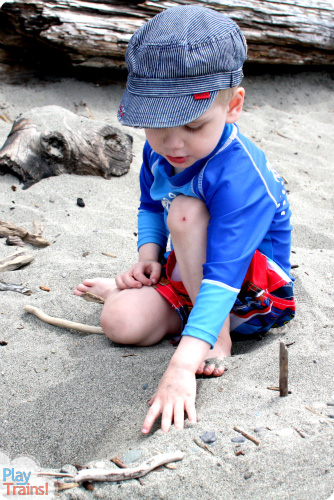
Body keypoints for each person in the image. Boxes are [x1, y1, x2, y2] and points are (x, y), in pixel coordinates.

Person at [74, 5, 295, 434]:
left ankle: (217, 338)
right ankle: (161, 300)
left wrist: (180, 366)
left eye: (194, 126)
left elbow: (226, 271)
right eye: (157, 126)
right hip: (190, 274)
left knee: (187, 211)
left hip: (249, 290)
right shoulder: (161, 151)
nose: (173, 143)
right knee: (119, 322)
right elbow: (150, 205)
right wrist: (149, 253)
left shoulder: (240, 171)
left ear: (233, 105)